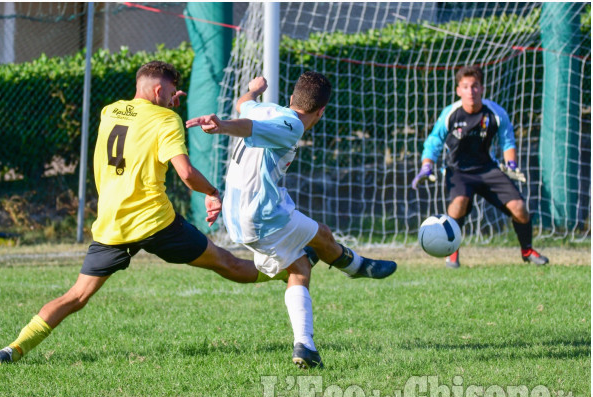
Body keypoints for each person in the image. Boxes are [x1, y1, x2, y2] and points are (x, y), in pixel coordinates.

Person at [0, 61, 289, 366]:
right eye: (172, 91)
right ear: (161, 89)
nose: (175, 97)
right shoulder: (167, 120)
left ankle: (12, 349)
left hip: (113, 224)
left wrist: (165, 103)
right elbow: (185, 173)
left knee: (76, 297)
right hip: (156, 223)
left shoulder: (110, 110)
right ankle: (285, 271)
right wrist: (213, 192)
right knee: (226, 262)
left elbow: (139, 117)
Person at [186, 72, 397, 369]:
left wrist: (254, 91)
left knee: (299, 265)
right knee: (321, 236)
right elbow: (248, 125)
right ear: (321, 112)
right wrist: (222, 127)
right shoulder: (291, 124)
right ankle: (356, 266)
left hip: (240, 211)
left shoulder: (266, 107)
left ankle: (305, 346)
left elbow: (244, 105)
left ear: (291, 99)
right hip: (260, 214)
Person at [411, 65, 548, 268]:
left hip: (488, 170)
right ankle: (453, 253)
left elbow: (508, 140)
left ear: (482, 88)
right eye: (465, 86)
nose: (471, 91)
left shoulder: (495, 113)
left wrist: (511, 164)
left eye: (475, 86)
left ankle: (527, 251)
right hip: (458, 172)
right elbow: (434, 141)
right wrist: (426, 166)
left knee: (520, 209)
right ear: (458, 90)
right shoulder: (451, 114)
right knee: (458, 205)